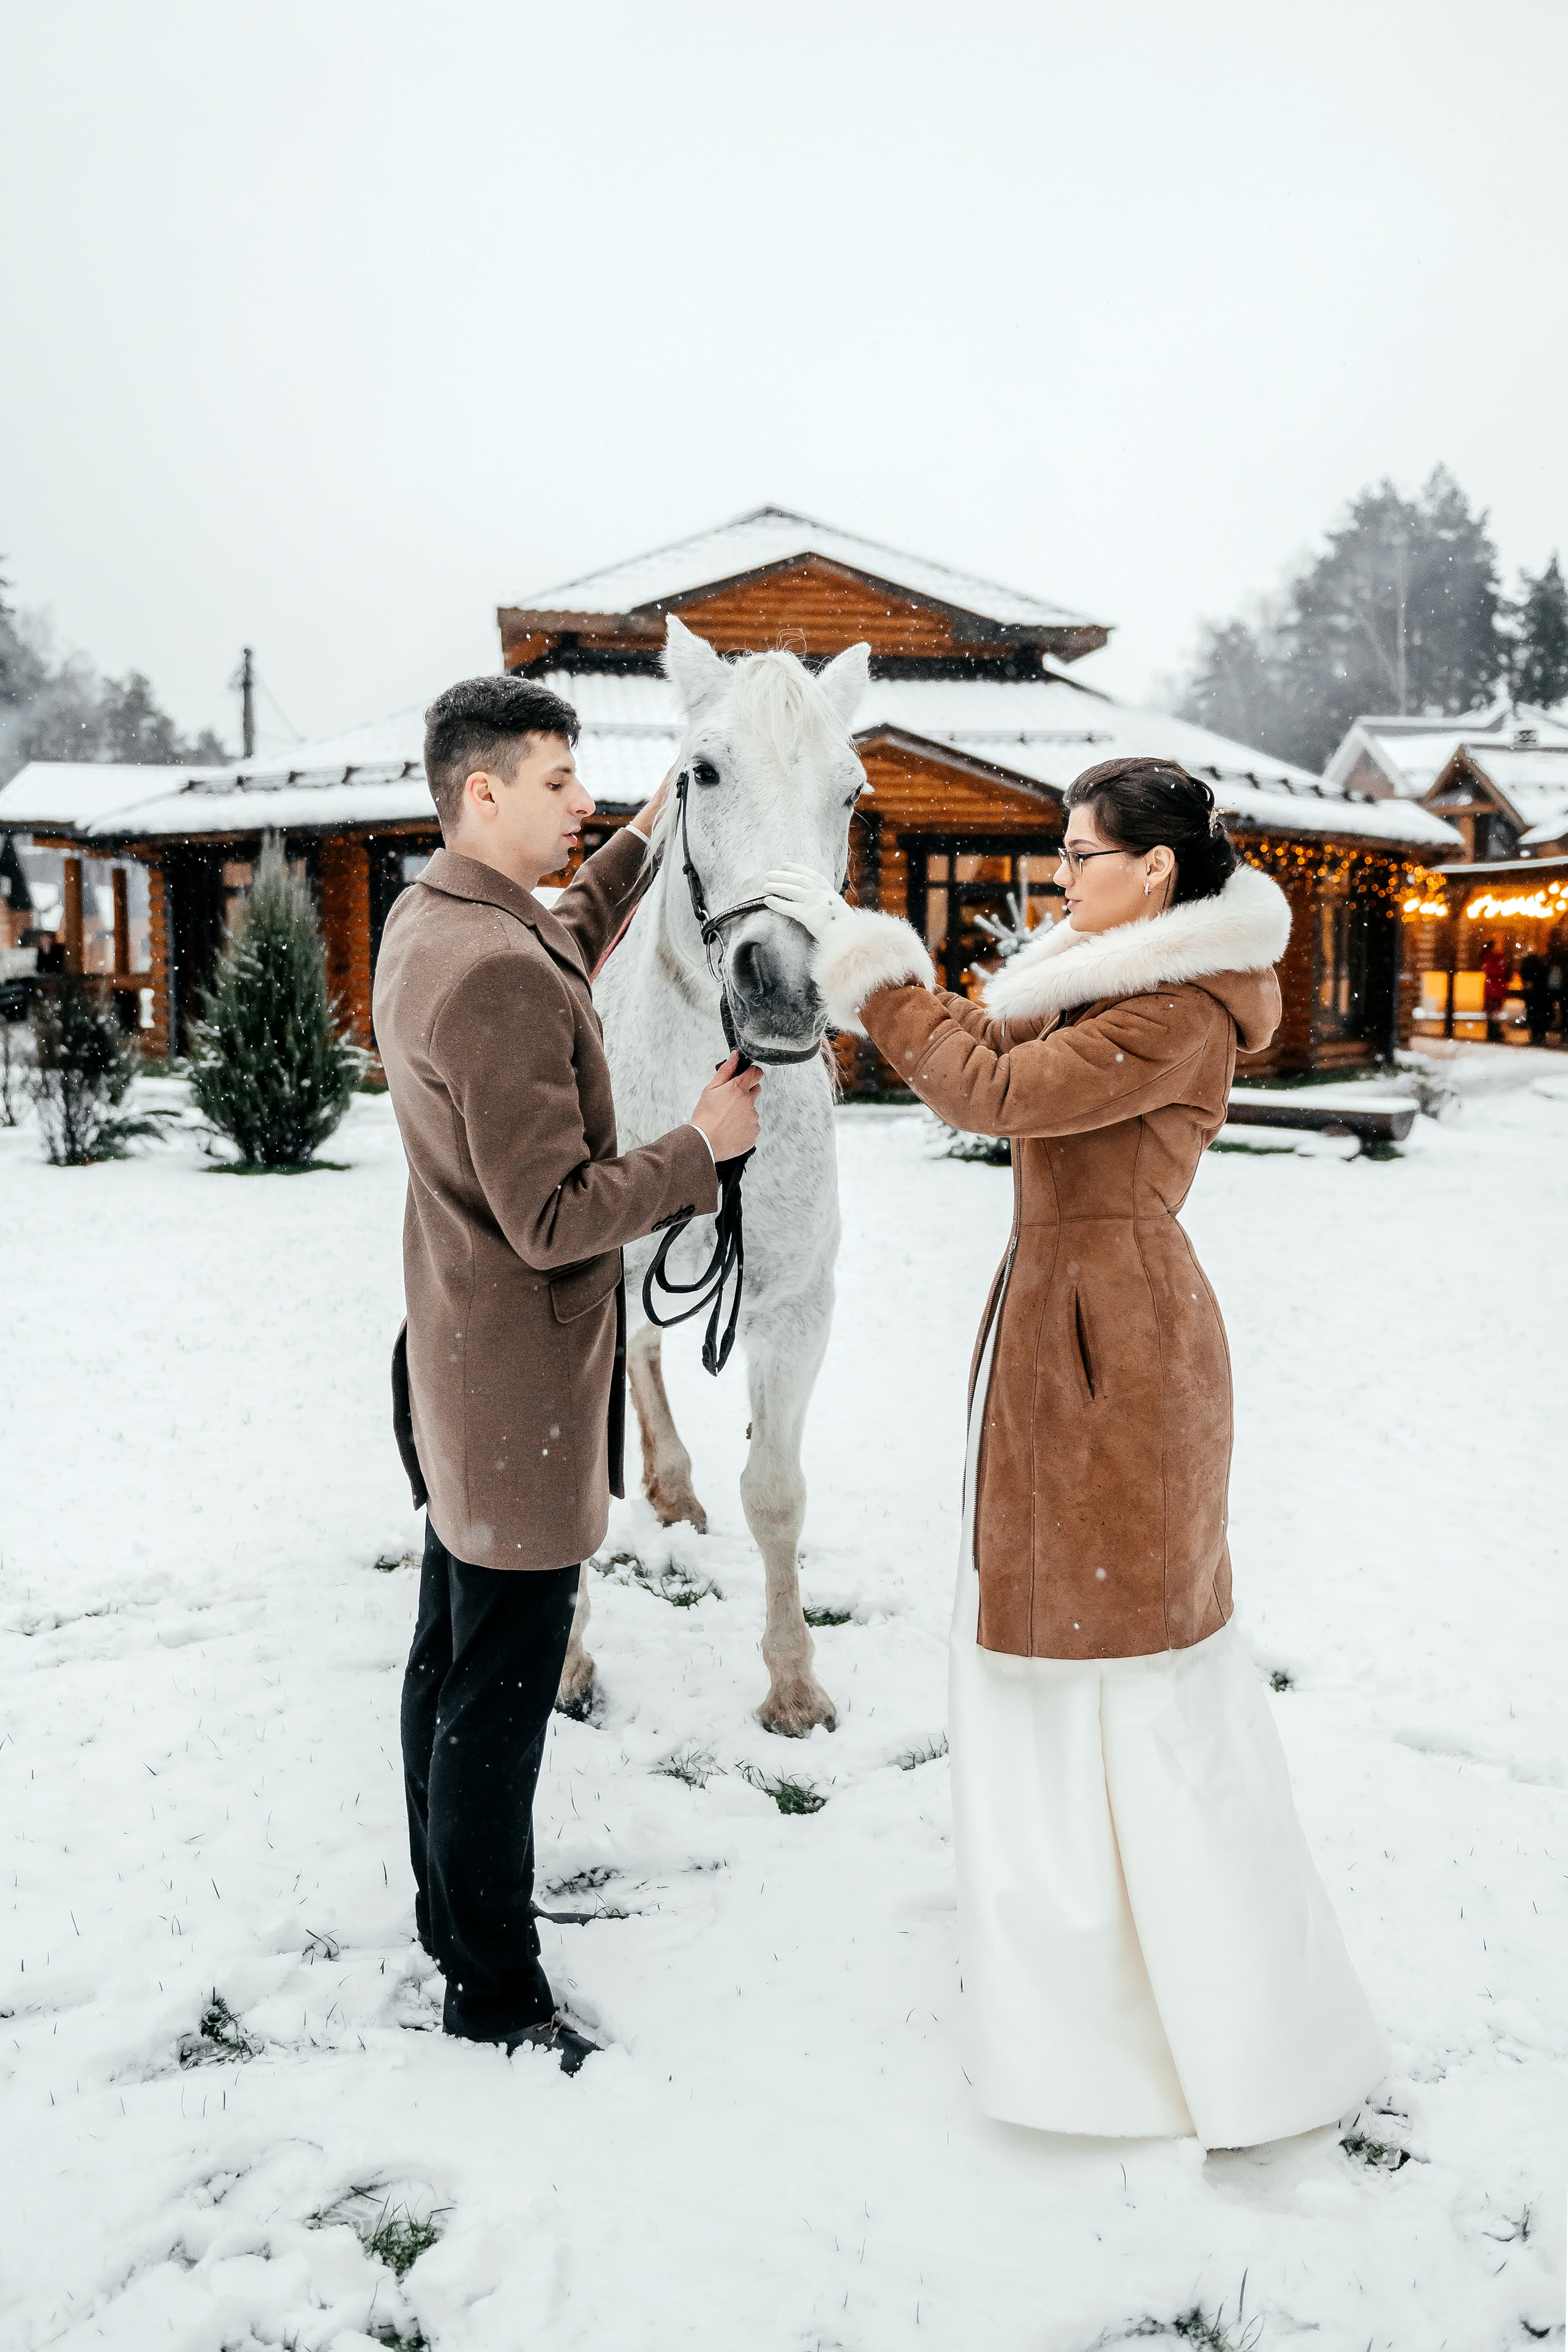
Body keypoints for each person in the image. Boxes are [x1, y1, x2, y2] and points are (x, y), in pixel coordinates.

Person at [764, 758, 1385, 2150]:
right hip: (1073, 1336)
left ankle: (1212, 2029)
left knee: (1138, 1681)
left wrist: (867, 963)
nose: (1059, 872)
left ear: (1154, 871)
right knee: (1063, 1666)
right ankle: (1080, 1989)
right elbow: (994, 1051)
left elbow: (983, 1084)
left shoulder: (1173, 1008)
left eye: (1080, 852)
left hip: (1119, 1353)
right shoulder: (1108, 976)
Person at [372, 676, 761, 2068]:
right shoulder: (484, 970)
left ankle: (445, 1912)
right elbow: (548, 1216)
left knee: (448, 1653)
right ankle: (490, 1984)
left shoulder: (443, 918)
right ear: (482, 794)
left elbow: (564, 939)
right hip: (516, 1398)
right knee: (495, 1700)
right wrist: (698, 1146)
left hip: (457, 1364)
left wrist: (654, 827)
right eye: (555, 780)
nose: (576, 797)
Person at [1518, 945, 1551, 1046]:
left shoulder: (1528, 963)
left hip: (1533, 993)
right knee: (1541, 1014)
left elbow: (1524, 973)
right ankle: (1541, 1035)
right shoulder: (1543, 963)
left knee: (1533, 1013)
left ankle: (1535, 1035)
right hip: (1542, 992)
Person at [1482, 937, 1509, 1043]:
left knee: (1492, 1010)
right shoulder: (1497, 958)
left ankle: (1492, 1030)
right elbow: (1500, 972)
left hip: (1492, 987)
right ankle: (1494, 1030)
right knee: (1495, 1010)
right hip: (1496, 987)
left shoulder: (1488, 957)